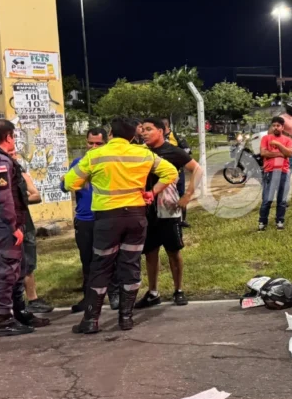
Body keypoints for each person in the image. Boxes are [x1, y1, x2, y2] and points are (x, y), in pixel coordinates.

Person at [63, 117, 178, 334]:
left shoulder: (95, 155)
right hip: (136, 217)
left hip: (107, 219)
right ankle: (126, 318)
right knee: (131, 264)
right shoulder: (143, 153)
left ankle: (90, 321)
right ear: (133, 135)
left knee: (101, 266)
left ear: (110, 134)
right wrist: (151, 192)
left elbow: (70, 183)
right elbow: (171, 172)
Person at [0, 120, 50, 337]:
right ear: (8, 136)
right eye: (14, 136)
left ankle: (20, 313)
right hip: (4, 222)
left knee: (19, 269)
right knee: (8, 272)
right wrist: (13, 225)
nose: (14, 140)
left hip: (8, 221)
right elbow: (3, 197)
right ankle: (4, 320)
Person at [135, 118, 202, 309]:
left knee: (174, 251)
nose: (144, 133)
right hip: (146, 209)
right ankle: (153, 292)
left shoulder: (173, 151)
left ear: (161, 131)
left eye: (149, 129)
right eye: (142, 129)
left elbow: (197, 170)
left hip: (168, 209)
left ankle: (179, 290)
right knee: (150, 252)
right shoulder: (141, 152)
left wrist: (188, 195)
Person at [66, 127, 107, 313]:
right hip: (85, 219)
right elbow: (65, 185)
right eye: (90, 142)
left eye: (98, 143)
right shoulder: (78, 163)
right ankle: (88, 298)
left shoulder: (110, 163)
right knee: (87, 261)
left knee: (109, 258)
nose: (93, 146)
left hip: (106, 216)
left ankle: (114, 295)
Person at [18, 164, 52, 314]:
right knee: (11, 265)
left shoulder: (21, 173)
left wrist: (19, 197)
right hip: (9, 226)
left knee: (29, 263)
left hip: (26, 223)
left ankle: (33, 299)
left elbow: (36, 195)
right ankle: (16, 303)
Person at [258, 117, 292, 231]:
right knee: (267, 200)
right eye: (273, 125)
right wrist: (280, 154)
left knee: (282, 200)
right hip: (269, 172)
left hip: (283, 172)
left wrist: (278, 145)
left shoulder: (288, 140)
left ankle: (280, 221)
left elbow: (289, 153)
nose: (275, 127)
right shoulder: (265, 138)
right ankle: (262, 222)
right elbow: (263, 153)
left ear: (282, 127)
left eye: (278, 125)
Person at [162, 118, 192, 227]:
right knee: (165, 197)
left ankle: (182, 220)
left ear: (166, 126)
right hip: (164, 174)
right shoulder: (158, 139)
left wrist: (176, 154)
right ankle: (168, 220)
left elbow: (187, 150)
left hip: (178, 172)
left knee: (181, 195)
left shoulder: (175, 136)